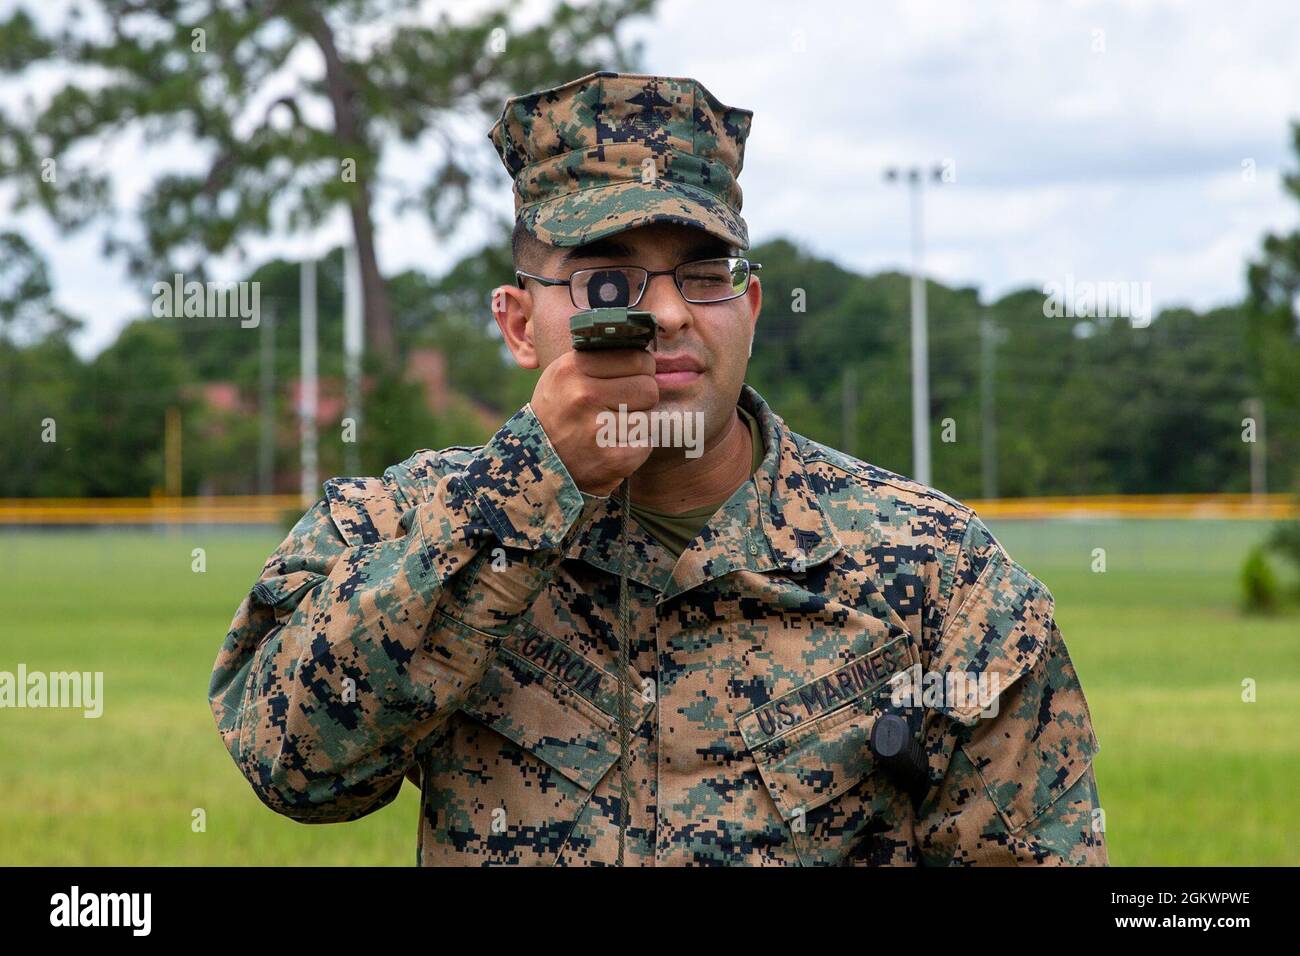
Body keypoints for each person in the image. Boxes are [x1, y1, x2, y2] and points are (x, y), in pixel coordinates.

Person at [209, 71, 1107, 866]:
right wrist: (526, 492)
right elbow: (295, 767)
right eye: (610, 279)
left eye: (703, 274)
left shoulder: (933, 572)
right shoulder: (403, 526)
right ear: (521, 324)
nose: (671, 313)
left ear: (748, 308)